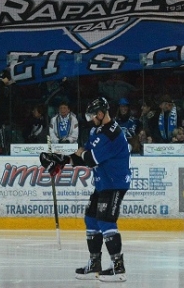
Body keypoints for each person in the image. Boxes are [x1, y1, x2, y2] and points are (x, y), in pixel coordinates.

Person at [39, 97, 130, 282]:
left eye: (92, 115)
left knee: (105, 221)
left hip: (114, 184)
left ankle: (118, 267)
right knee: (91, 219)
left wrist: (80, 155)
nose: (90, 120)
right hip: (103, 184)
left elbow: (89, 159)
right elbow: (81, 155)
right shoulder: (97, 131)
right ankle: (95, 264)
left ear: (101, 113)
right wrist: (61, 160)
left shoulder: (112, 133)